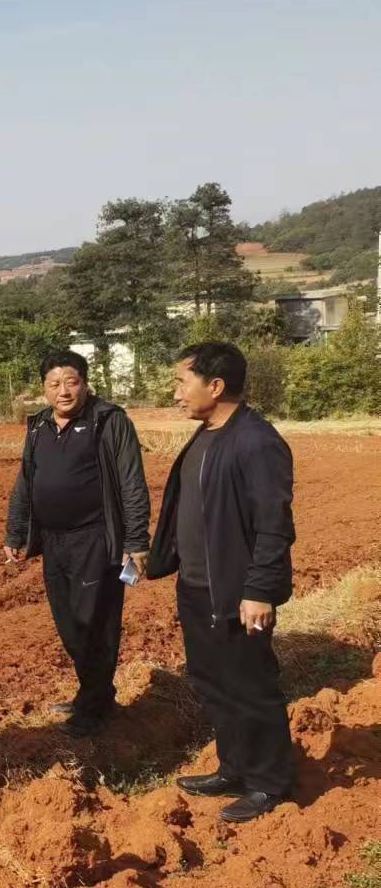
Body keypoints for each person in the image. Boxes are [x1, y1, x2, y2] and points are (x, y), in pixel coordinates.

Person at [147, 342, 296, 823]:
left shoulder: (256, 441)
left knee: (250, 687)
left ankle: (269, 783)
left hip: (235, 593)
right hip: (196, 588)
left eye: (180, 381)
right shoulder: (208, 434)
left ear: (215, 386)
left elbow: (274, 524)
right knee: (214, 683)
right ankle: (234, 767)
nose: (175, 393)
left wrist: (259, 590)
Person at [3, 351, 151, 735]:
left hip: (96, 541)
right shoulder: (38, 426)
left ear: (84, 383)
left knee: (94, 624)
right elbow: (25, 482)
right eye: (54, 384)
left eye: (71, 381)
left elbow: (132, 484)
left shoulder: (108, 421)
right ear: (44, 389)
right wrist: (15, 532)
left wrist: (136, 542)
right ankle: (93, 692)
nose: (63, 391)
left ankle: (95, 707)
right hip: (54, 542)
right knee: (69, 624)